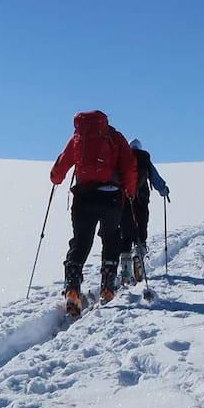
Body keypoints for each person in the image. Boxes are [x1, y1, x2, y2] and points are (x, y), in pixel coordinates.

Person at [49, 110, 136, 312]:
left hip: (83, 197)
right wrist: (130, 192)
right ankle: (107, 287)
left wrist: (56, 178)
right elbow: (129, 166)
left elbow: (61, 165)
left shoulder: (78, 138)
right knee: (111, 237)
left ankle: (72, 287)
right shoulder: (115, 137)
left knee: (81, 240)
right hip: (111, 197)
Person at [126, 138, 169, 282]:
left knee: (125, 233)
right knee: (141, 229)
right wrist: (163, 190)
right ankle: (139, 255)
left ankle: (124, 266)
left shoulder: (124, 158)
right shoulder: (145, 159)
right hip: (142, 200)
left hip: (125, 201)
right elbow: (155, 178)